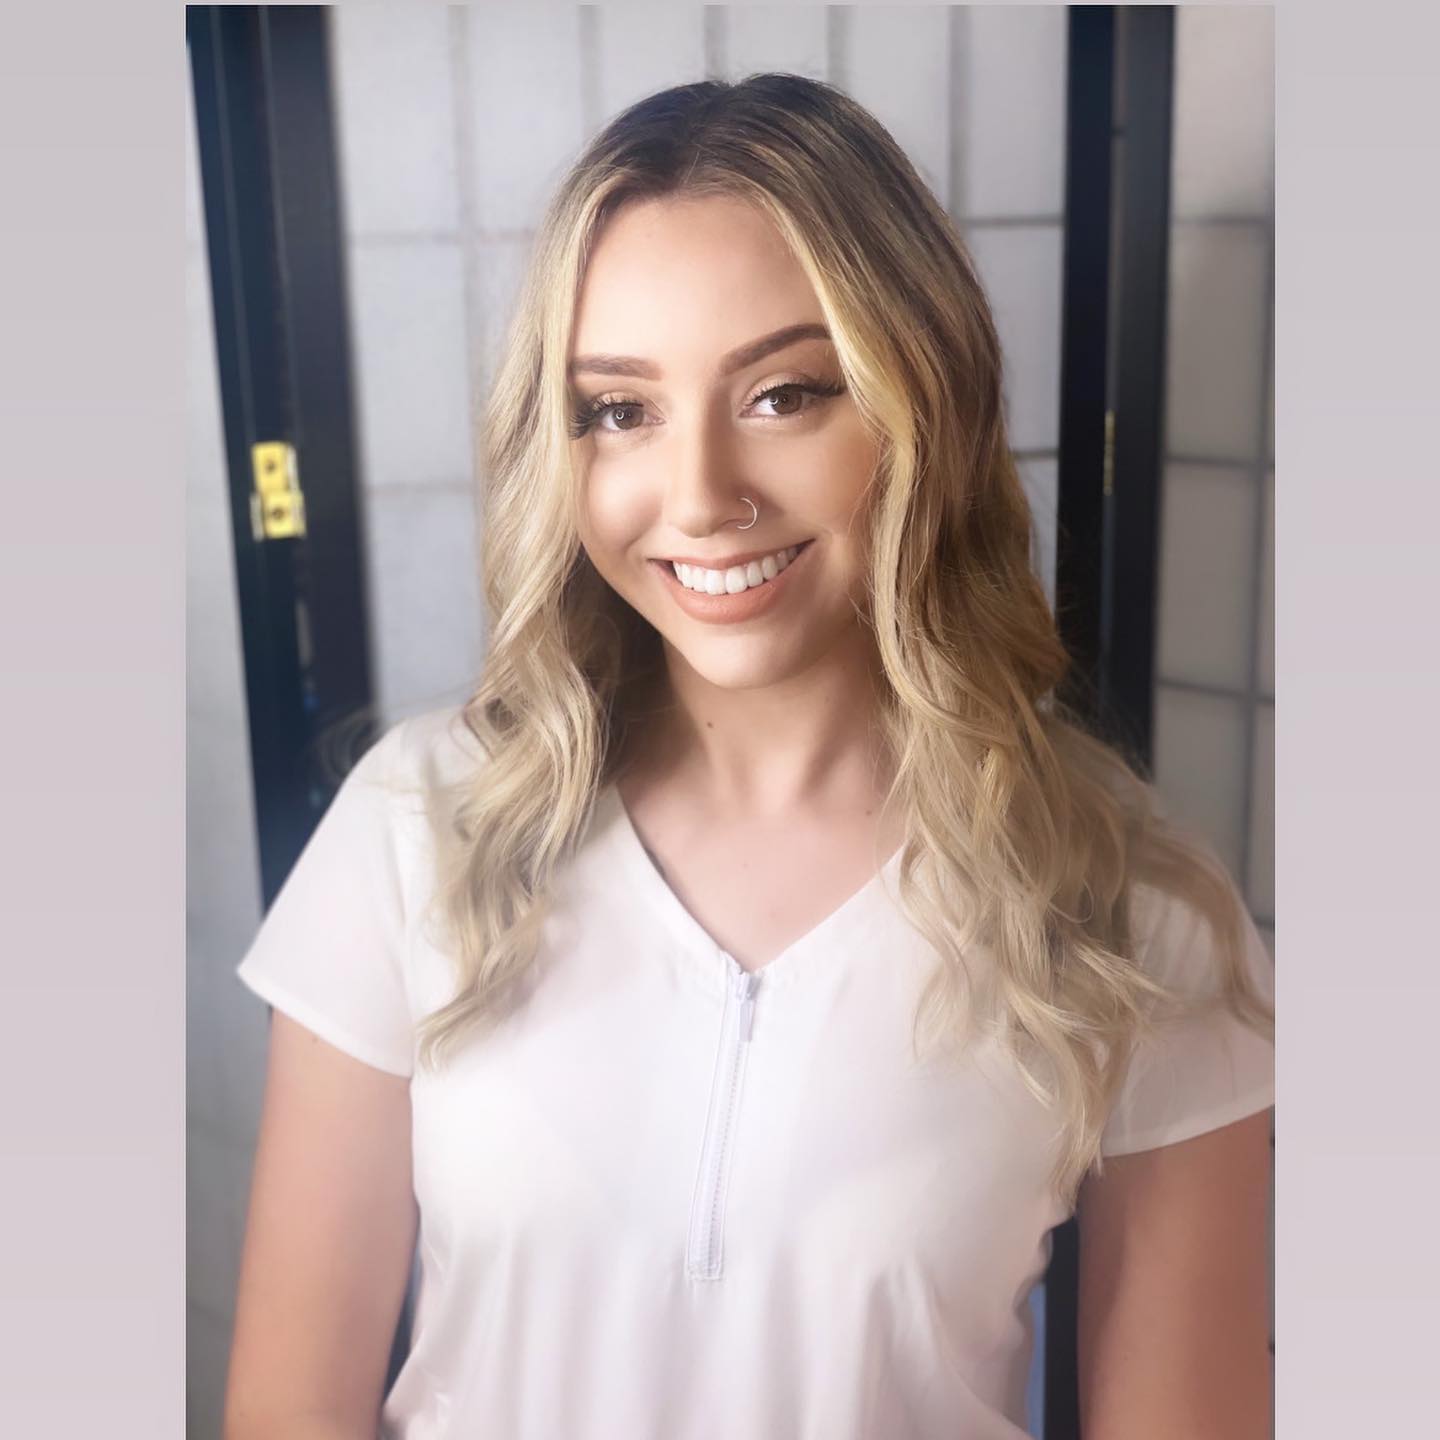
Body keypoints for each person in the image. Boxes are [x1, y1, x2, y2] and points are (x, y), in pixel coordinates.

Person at [223, 74, 1275, 1440]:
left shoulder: (1132, 906)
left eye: (785, 394)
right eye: (620, 410)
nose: (702, 496)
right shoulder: (416, 828)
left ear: (925, 401)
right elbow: (288, 1410)